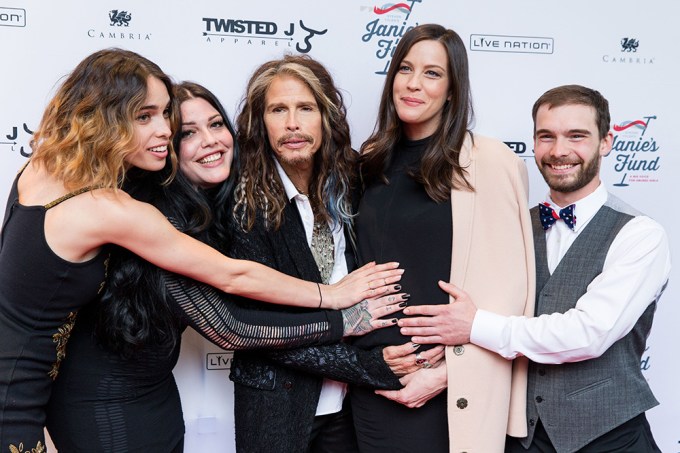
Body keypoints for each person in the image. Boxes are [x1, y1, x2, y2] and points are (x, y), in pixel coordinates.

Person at [0, 49, 401, 452]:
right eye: (146, 117)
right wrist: (335, 304)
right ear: (107, 116)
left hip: (139, 391)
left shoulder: (42, 170)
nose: (161, 130)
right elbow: (231, 303)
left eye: (164, 116)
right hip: (61, 399)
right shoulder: (117, 210)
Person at [397, 84, 671, 452]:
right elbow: (493, 319)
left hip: (611, 437)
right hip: (521, 436)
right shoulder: (514, 226)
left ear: (606, 141)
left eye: (577, 136)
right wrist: (447, 371)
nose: (559, 151)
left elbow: (588, 333)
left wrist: (474, 324)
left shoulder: (640, 234)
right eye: (547, 137)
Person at [225, 54, 444, 453]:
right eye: (278, 109)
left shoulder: (354, 181)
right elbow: (258, 327)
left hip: (356, 409)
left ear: (326, 117)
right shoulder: (243, 203)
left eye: (305, 108)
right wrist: (367, 367)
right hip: (279, 404)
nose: (293, 123)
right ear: (261, 122)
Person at [351, 24, 535, 453]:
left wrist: (448, 373)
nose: (414, 84)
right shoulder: (368, 161)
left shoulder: (487, 161)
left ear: (453, 90)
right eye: (405, 69)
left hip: (449, 389)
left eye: (433, 73)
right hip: (374, 382)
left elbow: (511, 294)